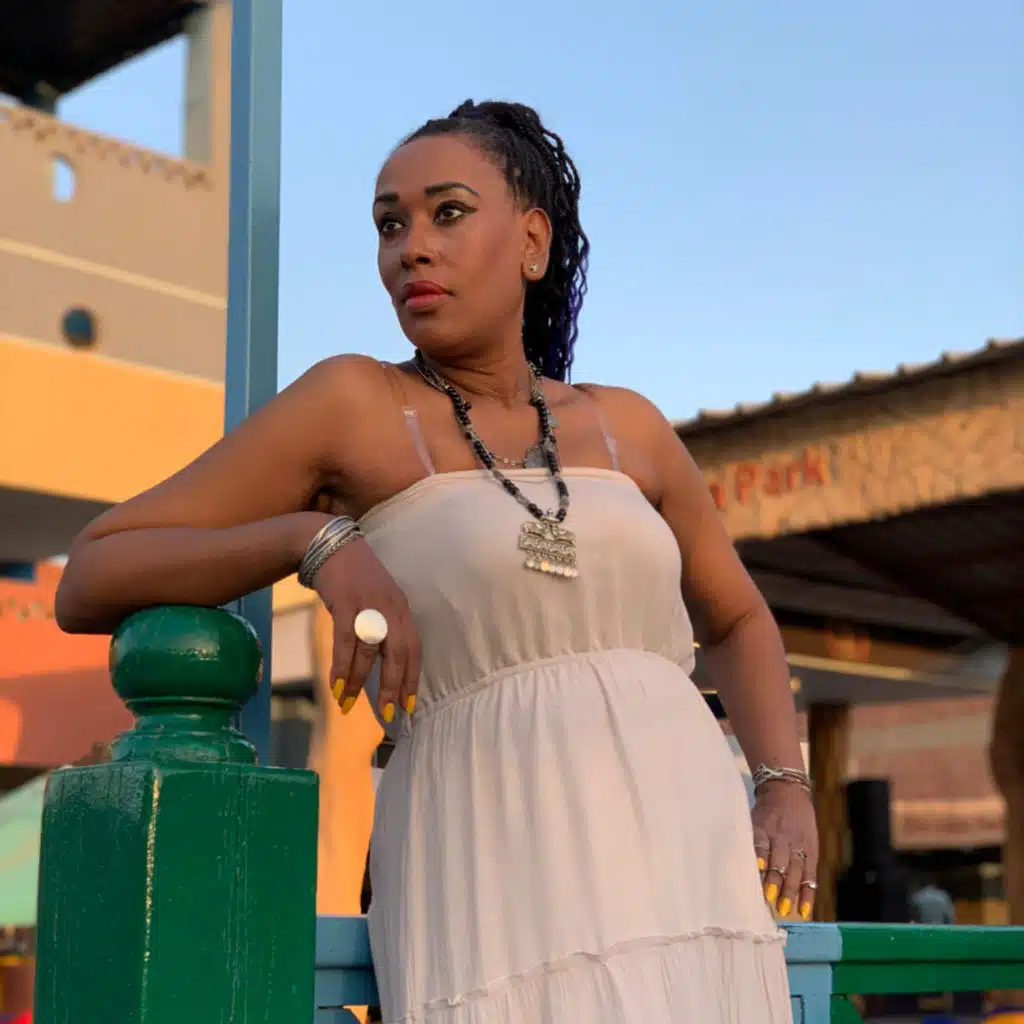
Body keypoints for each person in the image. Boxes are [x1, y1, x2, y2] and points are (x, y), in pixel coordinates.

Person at [55, 99, 818, 1023]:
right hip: (489, 855)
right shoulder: (354, 405)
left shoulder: (631, 427)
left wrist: (783, 785)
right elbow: (93, 573)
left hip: (685, 851)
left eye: (447, 213)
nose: (411, 248)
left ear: (531, 242)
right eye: (390, 225)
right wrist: (313, 542)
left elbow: (736, 618)